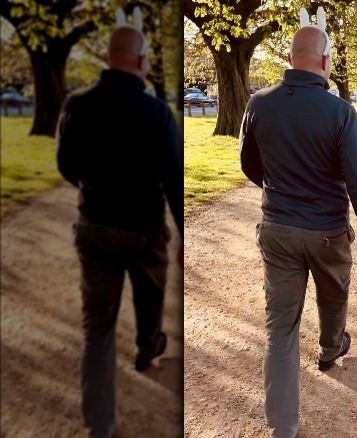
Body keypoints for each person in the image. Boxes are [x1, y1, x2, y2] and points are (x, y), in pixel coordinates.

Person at [239, 20, 357, 438]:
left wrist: (282, 186)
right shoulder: (340, 112)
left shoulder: (259, 104)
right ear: (325, 61)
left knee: (280, 328)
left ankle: (283, 427)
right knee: (334, 292)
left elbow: (250, 165)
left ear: (289, 58)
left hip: (279, 228)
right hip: (326, 230)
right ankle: (329, 348)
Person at [56, 24, 183, 438]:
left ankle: (100, 424)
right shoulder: (157, 113)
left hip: (95, 226)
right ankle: (147, 347)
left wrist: (92, 188)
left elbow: (67, 166)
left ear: (107, 58)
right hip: (144, 230)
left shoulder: (77, 104)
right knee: (149, 300)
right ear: (143, 61)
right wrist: (181, 235)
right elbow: (172, 179)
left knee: (98, 326)